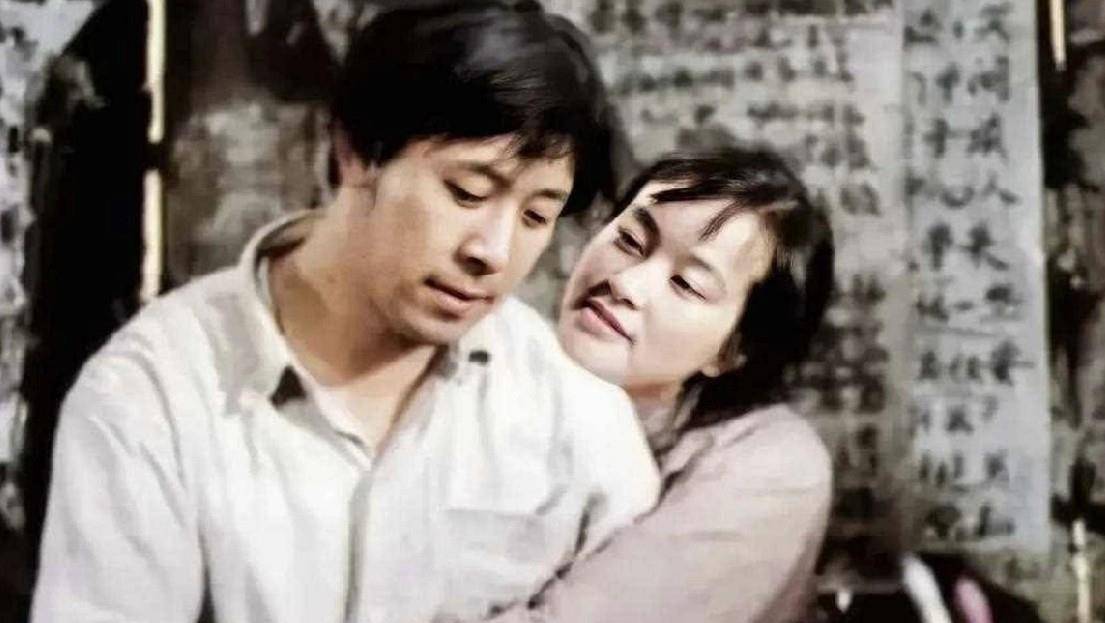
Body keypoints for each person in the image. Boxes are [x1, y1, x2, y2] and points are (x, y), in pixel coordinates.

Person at [30, 3, 660, 622]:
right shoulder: (151, 397)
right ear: (356, 152)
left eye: (536, 215)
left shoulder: (573, 413)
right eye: (467, 192)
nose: (493, 252)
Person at [489, 147, 836, 623]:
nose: (626, 284)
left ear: (732, 350)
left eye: (687, 284)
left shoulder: (773, 465)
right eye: (630, 240)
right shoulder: (499, 355)